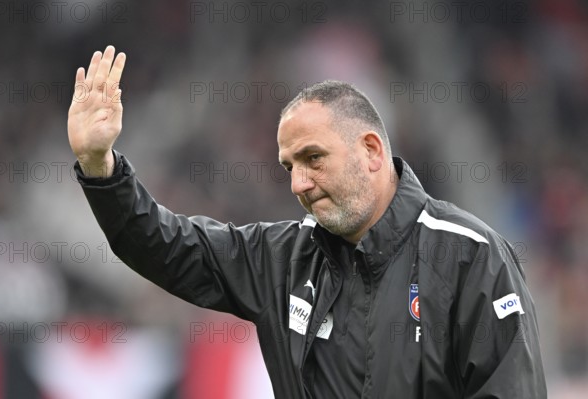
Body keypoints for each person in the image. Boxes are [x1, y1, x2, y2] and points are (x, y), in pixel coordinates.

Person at [68, 46, 547, 398]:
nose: (298, 183)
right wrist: (98, 166)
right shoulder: (280, 260)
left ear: (372, 151)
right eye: (288, 166)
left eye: (313, 158)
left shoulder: (469, 255)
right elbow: (164, 245)